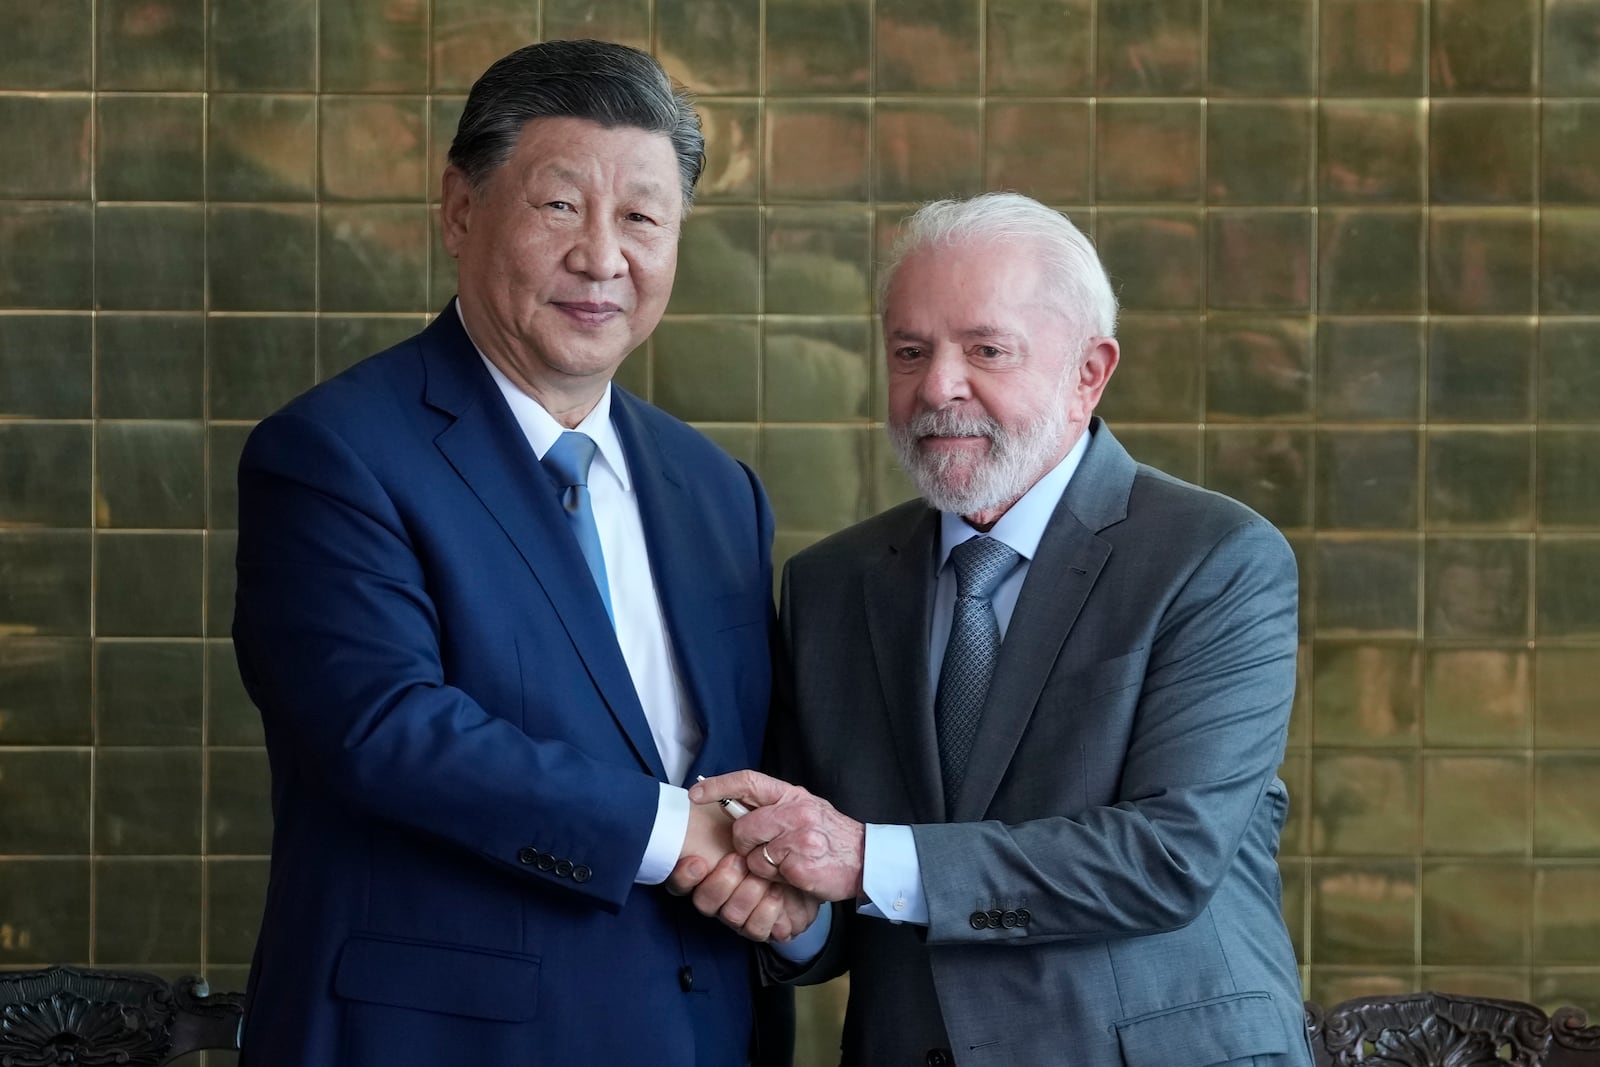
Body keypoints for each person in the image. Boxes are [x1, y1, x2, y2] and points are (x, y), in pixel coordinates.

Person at [231, 39, 807, 1067]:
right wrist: (681, 833)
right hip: (440, 1039)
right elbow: (383, 727)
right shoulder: (331, 453)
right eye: (559, 207)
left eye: (641, 218)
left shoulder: (716, 490)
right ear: (460, 210)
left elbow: (759, 767)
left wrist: (794, 883)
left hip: (697, 1032)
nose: (602, 257)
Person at [688, 193, 1314, 1066]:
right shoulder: (830, 584)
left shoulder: (1215, 558)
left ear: (1089, 372)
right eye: (910, 351)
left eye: (986, 349)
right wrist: (790, 907)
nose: (938, 385)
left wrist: (865, 860)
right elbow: (835, 885)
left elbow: (1168, 856)